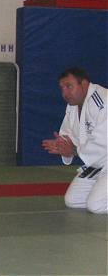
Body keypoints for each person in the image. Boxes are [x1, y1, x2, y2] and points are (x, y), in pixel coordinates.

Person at [42, 67, 107, 214]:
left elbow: (103, 145)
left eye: (69, 86)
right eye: (62, 88)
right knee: (73, 200)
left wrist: (74, 150)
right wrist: (61, 145)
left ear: (83, 84)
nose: (64, 93)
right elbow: (68, 135)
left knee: (96, 205)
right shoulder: (73, 105)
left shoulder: (103, 102)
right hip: (98, 164)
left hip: (104, 157)